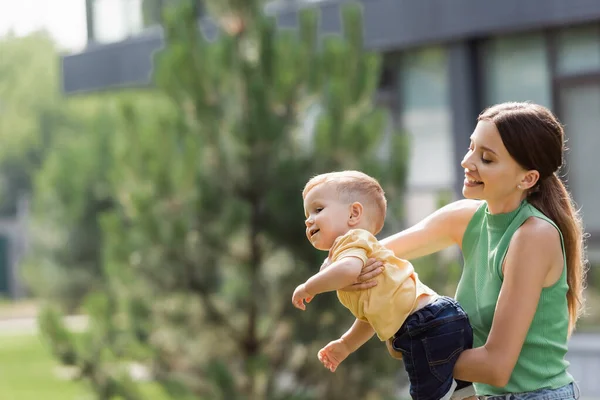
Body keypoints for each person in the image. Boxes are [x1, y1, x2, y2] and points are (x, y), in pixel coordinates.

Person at [348, 102, 585, 399]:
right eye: (471, 147)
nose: (467, 161)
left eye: (486, 158)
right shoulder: (465, 218)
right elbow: (370, 253)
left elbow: (497, 366)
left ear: (527, 178)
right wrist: (344, 257)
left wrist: (414, 345)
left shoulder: (534, 236)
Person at [292, 170, 474, 400]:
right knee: (462, 394)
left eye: (318, 209)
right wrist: (346, 344)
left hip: (423, 326)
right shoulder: (358, 252)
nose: (309, 219)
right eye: (307, 214)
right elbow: (371, 316)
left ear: (354, 213)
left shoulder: (350, 241)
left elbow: (347, 271)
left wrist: (309, 286)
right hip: (441, 317)